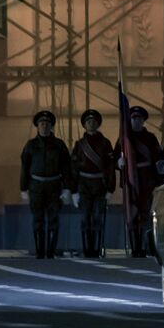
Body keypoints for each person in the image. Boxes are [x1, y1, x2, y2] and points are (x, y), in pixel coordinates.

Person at [20, 111, 74, 259]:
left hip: (54, 187)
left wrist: (68, 188)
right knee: (37, 219)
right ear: (37, 127)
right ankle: (39, 251)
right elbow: (25, 167)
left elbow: (66, 168)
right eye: (41, 124)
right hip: (36, 187)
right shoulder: (30, 145)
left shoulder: (59, 145)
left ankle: (50, 252)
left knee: (53, 219)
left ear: (51, 126)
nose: (44, 126)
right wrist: (23, 188)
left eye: (47, 124)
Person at [115, 105, 163, 257]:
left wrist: (158, 181)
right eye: (134, 118)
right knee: (131, 213)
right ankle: (134, 246)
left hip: (146, 179)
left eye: (139, 119)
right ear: (129, 120)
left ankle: (142, 246)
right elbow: (114, 157)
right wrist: (119, 162)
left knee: (144, 213)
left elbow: (158, 159)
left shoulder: (150, 138)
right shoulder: (124, 139)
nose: (136, 121)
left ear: (143, 121)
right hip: (131, 179)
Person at [71, 109, 115, 258]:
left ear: (98, 124)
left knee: (98, 218)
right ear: (84, 125)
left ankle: (96, 250)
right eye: (88, 122)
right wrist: (73, 191)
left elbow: (110, 167)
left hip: (100, 184)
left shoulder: (105, 143)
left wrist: (110, 189)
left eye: (94, 122)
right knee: (85, 219)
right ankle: (87, 249)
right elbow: (74, 168)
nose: (91, 124)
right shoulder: (79, 144)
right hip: (83, 185)